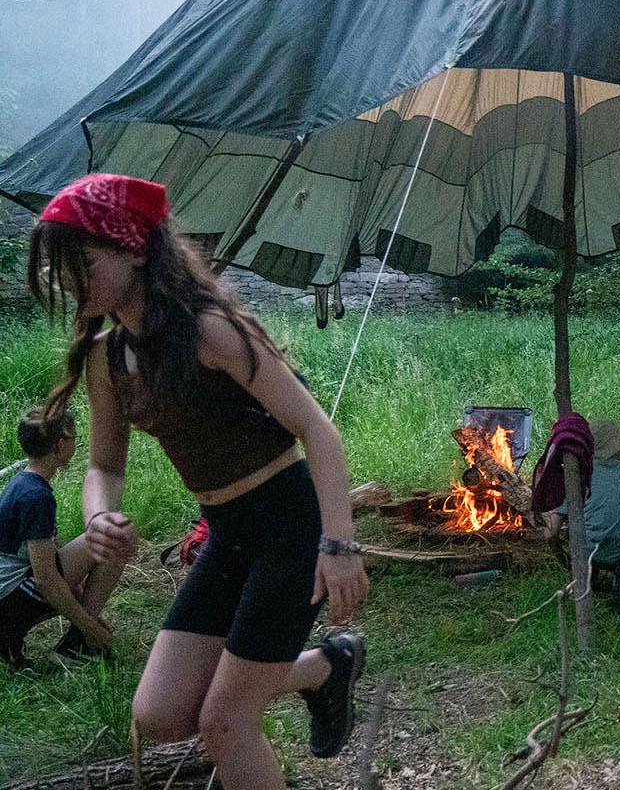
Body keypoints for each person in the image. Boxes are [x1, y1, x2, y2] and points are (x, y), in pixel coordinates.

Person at [27, 173, 369, 788]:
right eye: (60, 267)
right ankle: (323, 667)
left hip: (291, 524)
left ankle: (304, 674)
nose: (67, 280)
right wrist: (99, 513)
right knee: (158, 715)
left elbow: (318, 431)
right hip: (227, 533)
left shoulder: (208, 329)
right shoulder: (108, 357)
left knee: (227, 722)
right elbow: (104, 466)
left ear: (132, 248)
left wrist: (339, 546)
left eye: (79, 261)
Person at [1, 407, 125, 669]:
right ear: (59, 445)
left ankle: (76, 641)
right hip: (8, 605)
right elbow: (46, 579)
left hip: (8, 597)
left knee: (108, 534)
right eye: (74, 440)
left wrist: (84, 610)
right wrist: (87, 624)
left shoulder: (21, 482)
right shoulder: (37, 498)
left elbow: (52, 561)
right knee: (117, 536)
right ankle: (78, 645)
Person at [546, 420, 620, 610]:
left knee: (582, 534)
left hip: (592, 548)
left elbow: (552, 532)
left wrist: (562, 558)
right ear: (616, 448)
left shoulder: (578, 474)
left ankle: (588, 575)